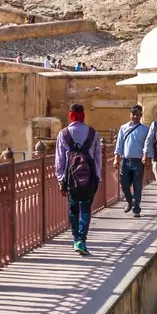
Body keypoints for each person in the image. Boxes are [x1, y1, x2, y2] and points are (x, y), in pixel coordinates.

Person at [55, 103, 103, 255]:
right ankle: (82, 238)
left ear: (70, 115)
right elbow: (97, 157)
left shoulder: (63, 134)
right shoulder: (92, 133)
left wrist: (61, 179)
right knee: (86, 209)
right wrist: (97, 177)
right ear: (83, 115)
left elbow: (60, 160)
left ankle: (76, 239)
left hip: (71, 179)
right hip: (89, 178)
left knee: (73, 209)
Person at [115, 104, 150, 217]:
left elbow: (147, 145)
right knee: (124, 184)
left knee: (137, 185)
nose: (135, 117)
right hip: (125, 161)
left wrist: (147, 158)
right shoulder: (123, 128)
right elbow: (119, 144)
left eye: (138, 115)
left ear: (141, 116)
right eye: (133, 114)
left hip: (139, 161)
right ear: (130, 114)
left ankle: (136, 208)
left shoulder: (145, 129)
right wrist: (116, 158)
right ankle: (130, 201)